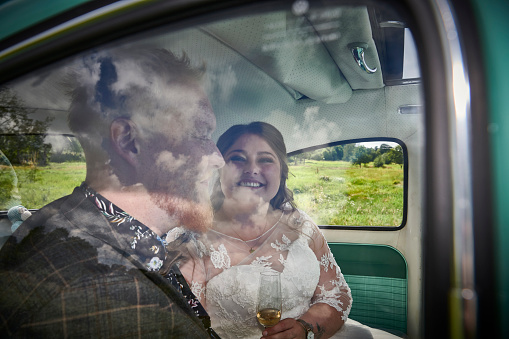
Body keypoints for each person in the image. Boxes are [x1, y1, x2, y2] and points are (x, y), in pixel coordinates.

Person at [0, 48, 224, 337]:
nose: (218, 157)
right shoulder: (99, 295)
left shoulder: (68, 221)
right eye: (201, 134)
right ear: (130, 141)